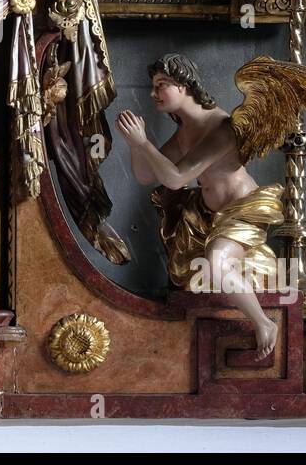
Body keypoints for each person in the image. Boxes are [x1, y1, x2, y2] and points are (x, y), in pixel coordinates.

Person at [116, 55, 287, 358]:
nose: (153, 93)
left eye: (161, 85)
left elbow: (176, 178)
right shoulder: (185, 132)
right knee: (191, 273)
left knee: (216, 262)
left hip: (241, 211)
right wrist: (134, 145)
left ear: (183, 86)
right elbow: (146, 176)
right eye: (153, 86)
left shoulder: (220, 127)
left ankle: (263, 323)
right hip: (207, 215)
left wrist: (144, 144)